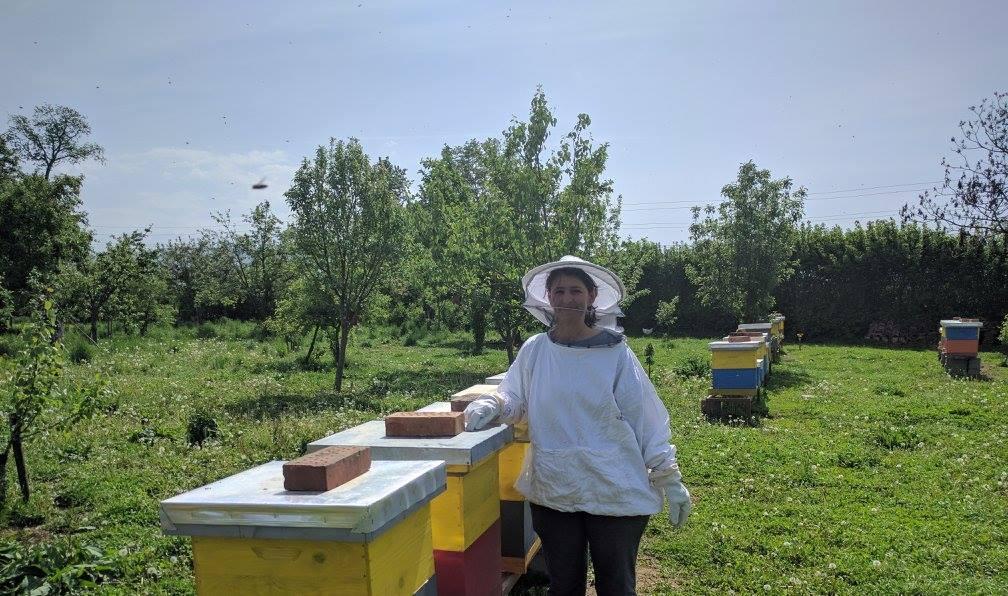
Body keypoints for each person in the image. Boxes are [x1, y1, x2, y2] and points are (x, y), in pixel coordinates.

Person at [464, 255, 691, 596]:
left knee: (616, 586)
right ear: (549, 298)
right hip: (555, 487)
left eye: (575, 291)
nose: (567, 299)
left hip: (614, 489)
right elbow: (515, 396)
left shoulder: (615, 354)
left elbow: (646, 419)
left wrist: (668, 477)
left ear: (591, 296)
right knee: (564, 586)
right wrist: (493, 403)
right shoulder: (536, 349)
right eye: (559, 291)